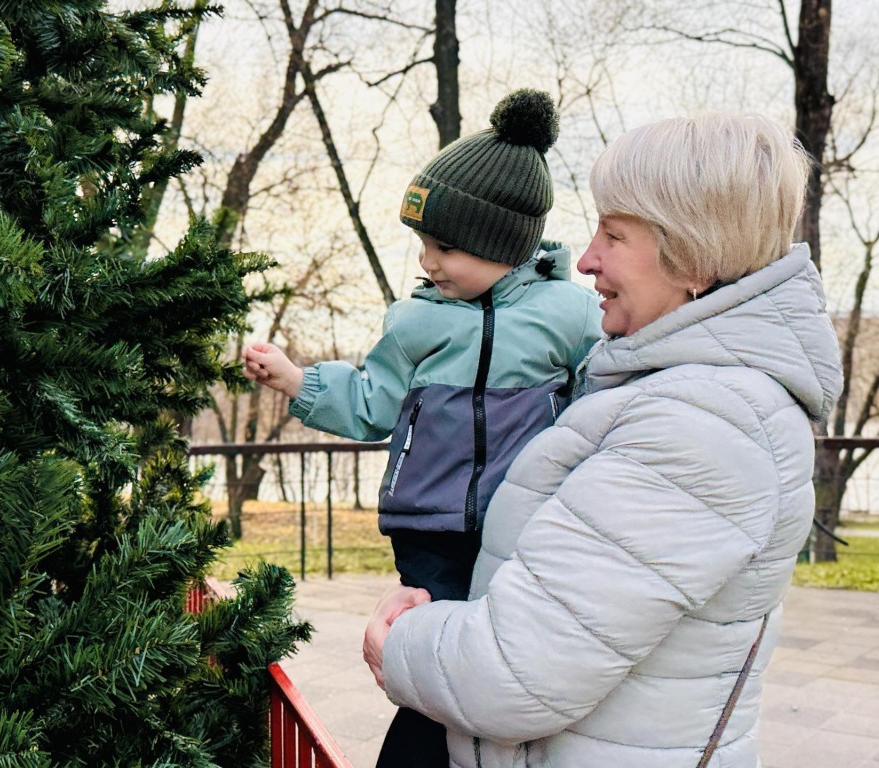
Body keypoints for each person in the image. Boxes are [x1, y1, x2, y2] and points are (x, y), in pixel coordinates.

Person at [364, 113, 845, 768]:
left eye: (614, 235)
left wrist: (399, 639)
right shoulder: (679, 400)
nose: (585, 258)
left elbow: (511, 673)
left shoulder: (702, 429)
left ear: (692, 255)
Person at [243, 89, 602, 768]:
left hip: (524, 524)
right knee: (434, 661)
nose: (426, 262)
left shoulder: (569, 315)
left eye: (444, 247)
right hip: (429, 524)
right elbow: (373, 401)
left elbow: (599, 398)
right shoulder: (418, 321)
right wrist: (297, 379)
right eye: (422, 244)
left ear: (501, 244)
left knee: (503, 656)